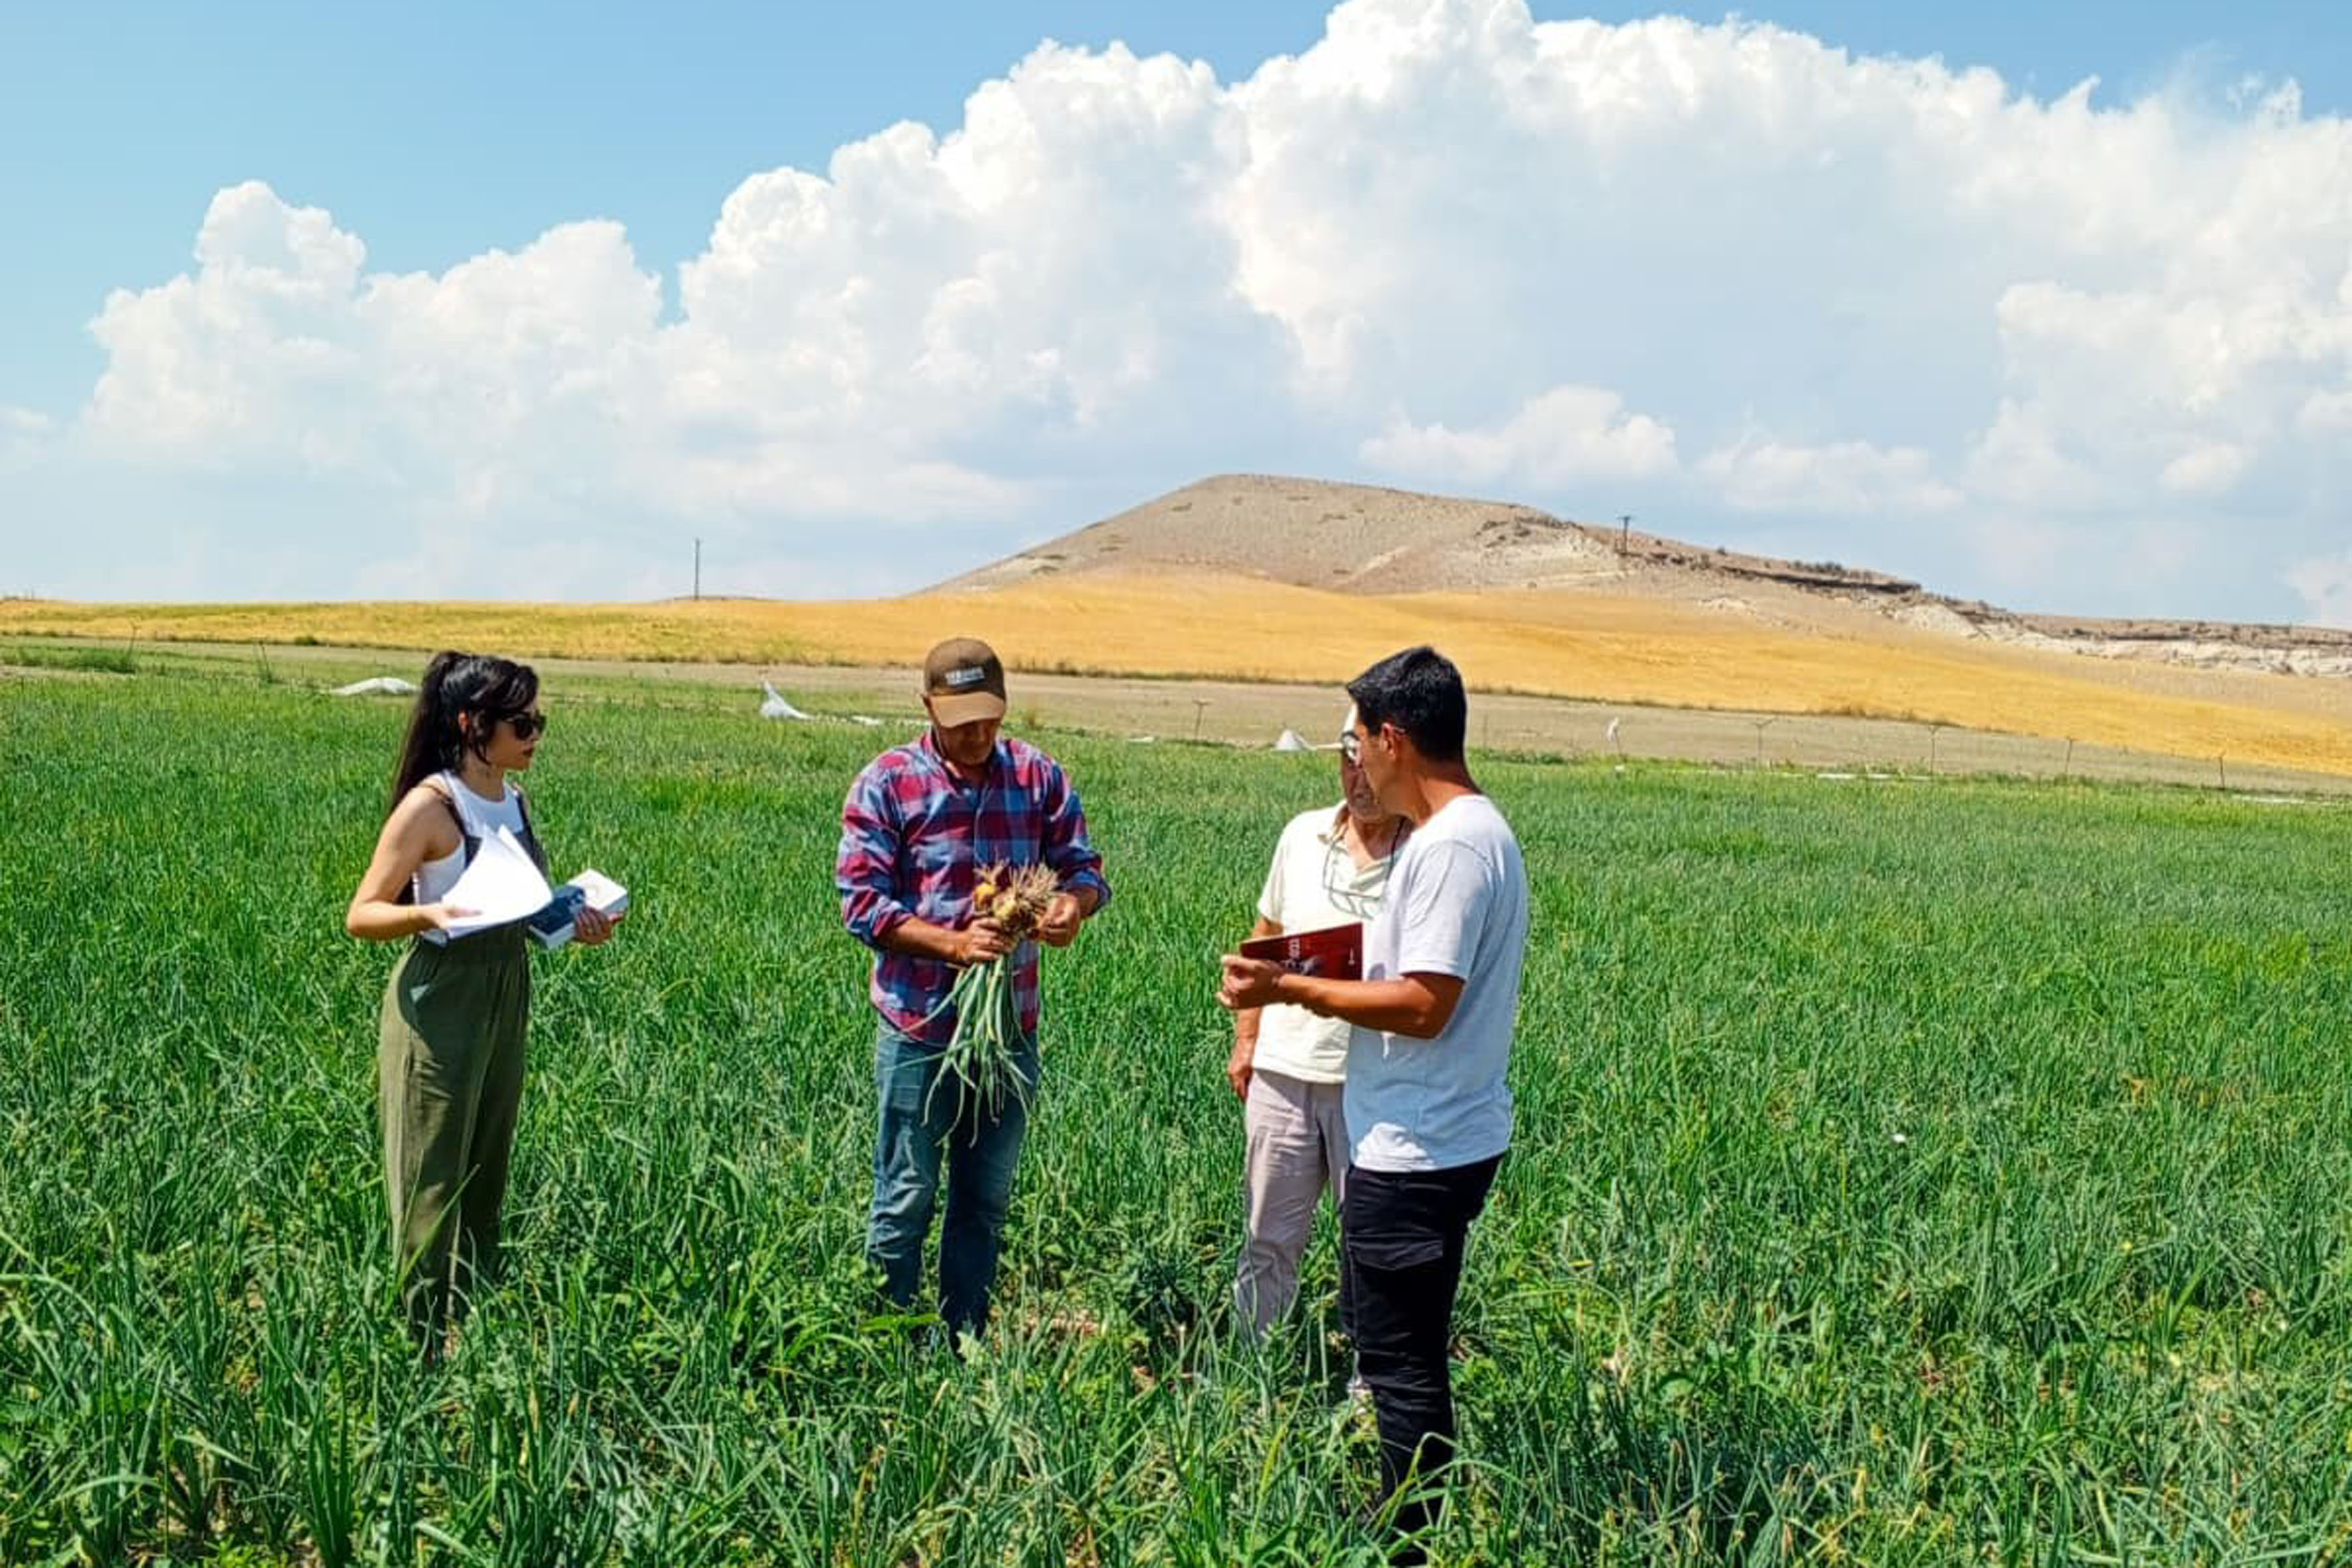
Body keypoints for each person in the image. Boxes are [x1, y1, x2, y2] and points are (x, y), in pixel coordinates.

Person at [1218, 646, 1529, 1549]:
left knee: (1399, 1367)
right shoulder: (1471, 835)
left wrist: (1289, 992)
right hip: (1434, 1129)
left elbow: (1423, 1004)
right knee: (1401, 1350)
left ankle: (1403, 1536)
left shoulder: (1448, 848)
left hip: (1415, 1141)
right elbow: (1386, 963)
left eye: (1357, 737)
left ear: (1393, 738)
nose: (1351, 756)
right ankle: (1405, 1519)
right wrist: (1281, 969)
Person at [836, 637, 1111, 1341]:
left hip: (1009, 1027)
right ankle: (890, 1339)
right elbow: (861, 905)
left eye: (989, 717)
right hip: (920, 1029)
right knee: (906, 1194)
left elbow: (1085, 868)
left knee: (984, 1197)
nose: (977, 734)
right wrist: (954, 943)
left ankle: (965, 1336)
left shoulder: (1037, 776)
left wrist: (1073, 907)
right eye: (960, 719)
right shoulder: (888, 782)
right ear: (927, 705)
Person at [345, 651, 617, 1348]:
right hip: (442, 998)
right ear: (472, 725)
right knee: (431, 1172)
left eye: (539, 719)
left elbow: (525, 905)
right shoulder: (431, 807)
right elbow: (362, 913)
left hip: (506, 988)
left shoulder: (514, 799)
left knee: (486, 1163)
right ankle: (418, 1342)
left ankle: (472, 1320)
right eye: (520, 721)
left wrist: (575, 924)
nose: (535, 734)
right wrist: (428, 916)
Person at [1227, 706, 1411, 1344]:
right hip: (1281, 1072)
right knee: (1265, 1238)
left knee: (1369, 1247)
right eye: (1345, 763)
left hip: (1370, 1084)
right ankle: (1252, 1376)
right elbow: (1265, 938)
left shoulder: (1425, 854)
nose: (1357, 781)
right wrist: (1246, 1039)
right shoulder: (1300, 836)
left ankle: (1369, 1394)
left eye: (1368, 766)